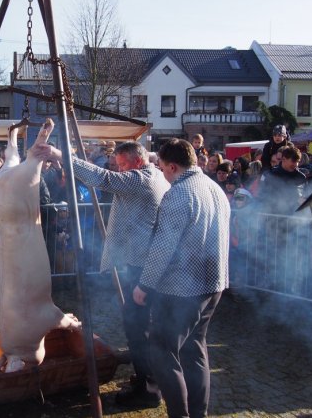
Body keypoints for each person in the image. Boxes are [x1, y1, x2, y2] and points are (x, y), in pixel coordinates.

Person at [41, 141, 170, 407]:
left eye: (122, 165)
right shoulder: (154, 174)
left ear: (136, 162)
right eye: (118, 165)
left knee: (138, 329)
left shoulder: (141, 179)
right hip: (141, 262)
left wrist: (60, 155)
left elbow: (102, 178)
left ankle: (149, 390)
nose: (119, 170)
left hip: (141, 266)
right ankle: (146, 377)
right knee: (138, 326)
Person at [133, 138, 230, 418]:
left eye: (162, 168)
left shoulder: (179, 194)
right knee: (194, 351)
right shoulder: (214, 187)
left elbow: (164, 246)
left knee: (162, 351)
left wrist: (144, 284)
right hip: (213, 285)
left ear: (173, 166)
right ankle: (198, 414)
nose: (162, 173)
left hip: (183, 290)